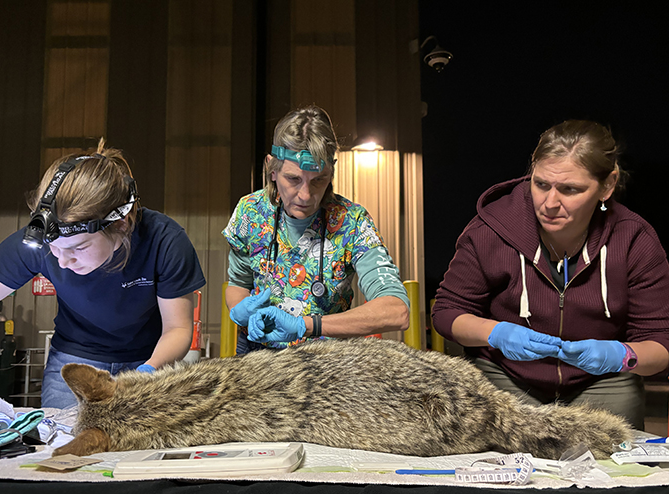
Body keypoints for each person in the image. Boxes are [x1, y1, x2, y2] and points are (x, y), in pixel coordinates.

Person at [0, 140, 205, 416]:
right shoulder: (37, 244)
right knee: (67, 447)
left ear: (122, 224)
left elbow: (177, 330)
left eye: (79, 247)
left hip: (150, 358)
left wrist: (147, 372)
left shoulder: (165, 241)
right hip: (75, 361)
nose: (62, 260)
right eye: (54, 248)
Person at [432, 120, 669, 429]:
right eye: (541, 184)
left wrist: (622, 356)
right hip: (505, 377)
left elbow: (660, 343)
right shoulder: (490, 230)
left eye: (570, 189)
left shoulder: (635, 240)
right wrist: (496, 333)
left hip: (601, 382)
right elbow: (447, 313)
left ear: (607, 186)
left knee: (617, 466)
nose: (550, 203)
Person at [222, 105, 410, 353]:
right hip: (258, 361)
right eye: (293, 179)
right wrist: (242, 311)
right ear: (272, 169)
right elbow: (238, 284)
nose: (305, 195)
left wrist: (308, 325)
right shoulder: (250, 212)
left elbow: (396, 311)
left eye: (318, 180)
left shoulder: (352, 222)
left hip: (327, 364)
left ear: (331, 172)